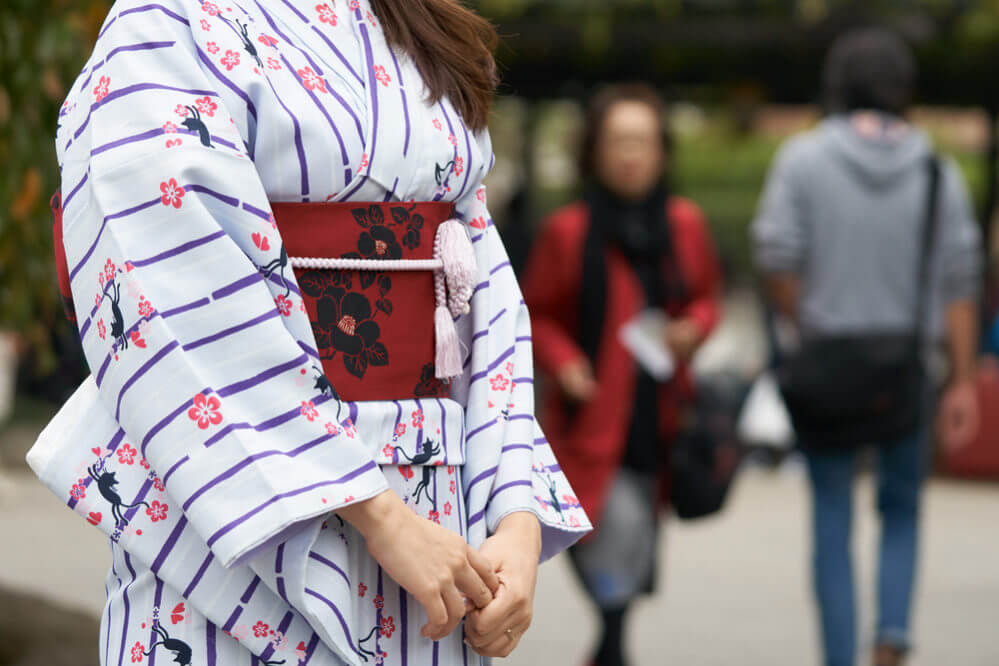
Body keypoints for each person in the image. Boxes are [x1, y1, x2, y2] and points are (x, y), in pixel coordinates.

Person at [30, 1, 591, 665]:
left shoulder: (416, 18)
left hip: (437, 499)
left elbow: (474, 276)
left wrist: (514, 515)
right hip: (244, 505)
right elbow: (169, 272)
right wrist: (374, 511)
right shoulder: (166, 20)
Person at [752, 28, 982, 666]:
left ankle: (838, 656)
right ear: (904, 91)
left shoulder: (802, 159)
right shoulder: (939, 170)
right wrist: (961, 381)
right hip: (908, 369)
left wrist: (810, 321)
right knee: (903, 509)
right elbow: (960, 281)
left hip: (826, 362)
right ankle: (892, 636)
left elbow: (776, 254)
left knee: (831, 511)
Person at [522, 84, 723, 666]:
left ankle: (612, 640)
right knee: (602, 525)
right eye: (618, 142)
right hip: (591, 413)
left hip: (660, 414)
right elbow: (537, 313)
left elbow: (707, 298)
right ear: (595, 152)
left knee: (636, 529)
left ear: (662, 152)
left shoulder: (684, 224)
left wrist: (693, 330)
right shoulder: (569, 231)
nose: (631, 154)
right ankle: (613, 641)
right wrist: (565, 362)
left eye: (643, 141)